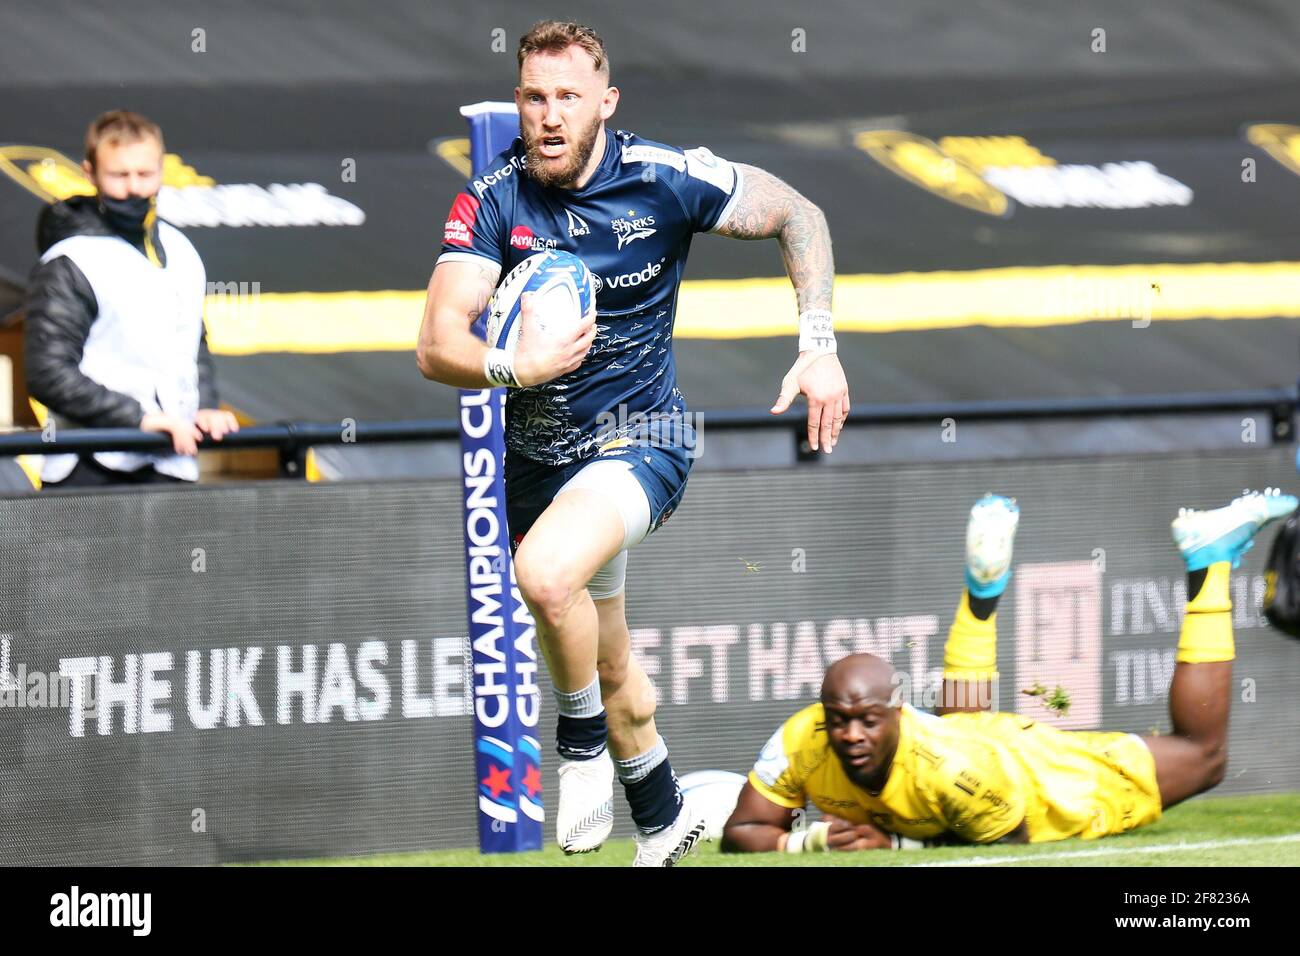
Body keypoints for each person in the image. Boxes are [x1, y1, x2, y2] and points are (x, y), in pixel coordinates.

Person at [416, 20, 850, 865]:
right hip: (540, 466)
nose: (549, 116)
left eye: (568, 98)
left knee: (542, 575)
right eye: (534, 97)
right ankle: (661, 818)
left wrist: (821, 343)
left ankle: (576, 747)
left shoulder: (664, 177)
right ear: (517, 103)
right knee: (612, 669)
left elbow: (801, 213)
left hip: (645, 439)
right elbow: (436, 345)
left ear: (605, 105)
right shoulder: (492, 198)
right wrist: (516, 364)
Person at [721, 489, 1296, 853]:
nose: (849, 736)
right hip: (961, 739)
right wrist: (813, 840)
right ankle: (983, 593)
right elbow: (741, 832)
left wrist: (896, 844)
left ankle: (1208, 564)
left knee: (1205, 757)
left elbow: (1005, 841)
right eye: (839, 720)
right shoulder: (799, 742)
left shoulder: (952, 773)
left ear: (896, 712)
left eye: (867, 721)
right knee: (960, 727)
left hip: (1035, 781)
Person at [23, 110, 238, 488]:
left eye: (145, 174)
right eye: (119, 175)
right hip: (89, 468)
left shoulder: (180, 248)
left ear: (161, 171)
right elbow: (47, 373)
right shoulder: (70, 259)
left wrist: (206, 405)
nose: (134, 188)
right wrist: (139, 418)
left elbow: (192, 341)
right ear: (90, 173)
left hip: (171, 464)